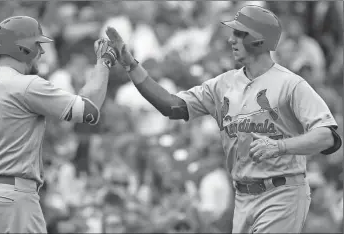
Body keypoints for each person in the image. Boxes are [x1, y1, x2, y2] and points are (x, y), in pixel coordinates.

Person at [105, 5, 342, 233]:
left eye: (239, 34)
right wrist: (131, 65)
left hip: (282, 192)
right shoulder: (223, 85)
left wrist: (280, 146)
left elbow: (328, 136)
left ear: (259, 39)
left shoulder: (291, 85)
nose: (231, 40)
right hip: (242, 194)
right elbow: (172, 106)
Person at [0, 16, 117, 233]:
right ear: (24, 48)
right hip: (13, 196)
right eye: (37, 45)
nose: (41, 52)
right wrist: (104, 61)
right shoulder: (25, 85)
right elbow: (89, 109)